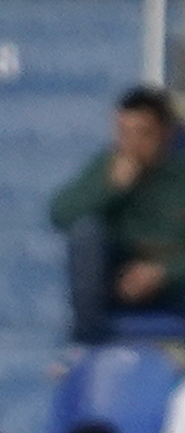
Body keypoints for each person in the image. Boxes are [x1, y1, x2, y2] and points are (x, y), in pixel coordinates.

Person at [51, 88, 185, 343]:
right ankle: (88, 343)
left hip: (176, 281)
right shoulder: (110, 165)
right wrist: (110, 189)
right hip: (124, 281)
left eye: (142, 134)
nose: (131, 144)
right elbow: (60, 214)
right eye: (123, 133)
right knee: (85, 233)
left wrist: (164, 272)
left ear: (165, 134)